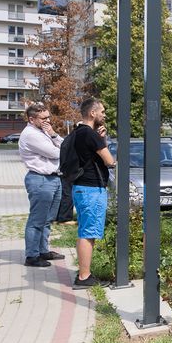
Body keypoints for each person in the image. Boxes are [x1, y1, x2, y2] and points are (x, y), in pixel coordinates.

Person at [68, 98, 116, 290]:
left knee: (84, 231)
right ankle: (84, 276)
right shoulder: (91, 135)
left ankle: (83, 272)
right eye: (102, 111)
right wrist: (102, 141)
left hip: (81, 187)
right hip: (91, 189)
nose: (104, 115)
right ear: (92, 113)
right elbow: (109, 161)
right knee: (89, 233)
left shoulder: (79, 132)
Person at [18, 103, 65, 267]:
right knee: (37, 220)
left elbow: (63, 144)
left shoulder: (43, 131)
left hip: (53, 178)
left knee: (47, 219)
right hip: (40, 179)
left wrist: (52, 134)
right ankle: (32, 256)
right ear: (32, 119)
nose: (48, 120)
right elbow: (57, 152)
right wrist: (60, 146)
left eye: (48, 117)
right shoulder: (31, 134)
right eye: (44, 118)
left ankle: (43, 251)